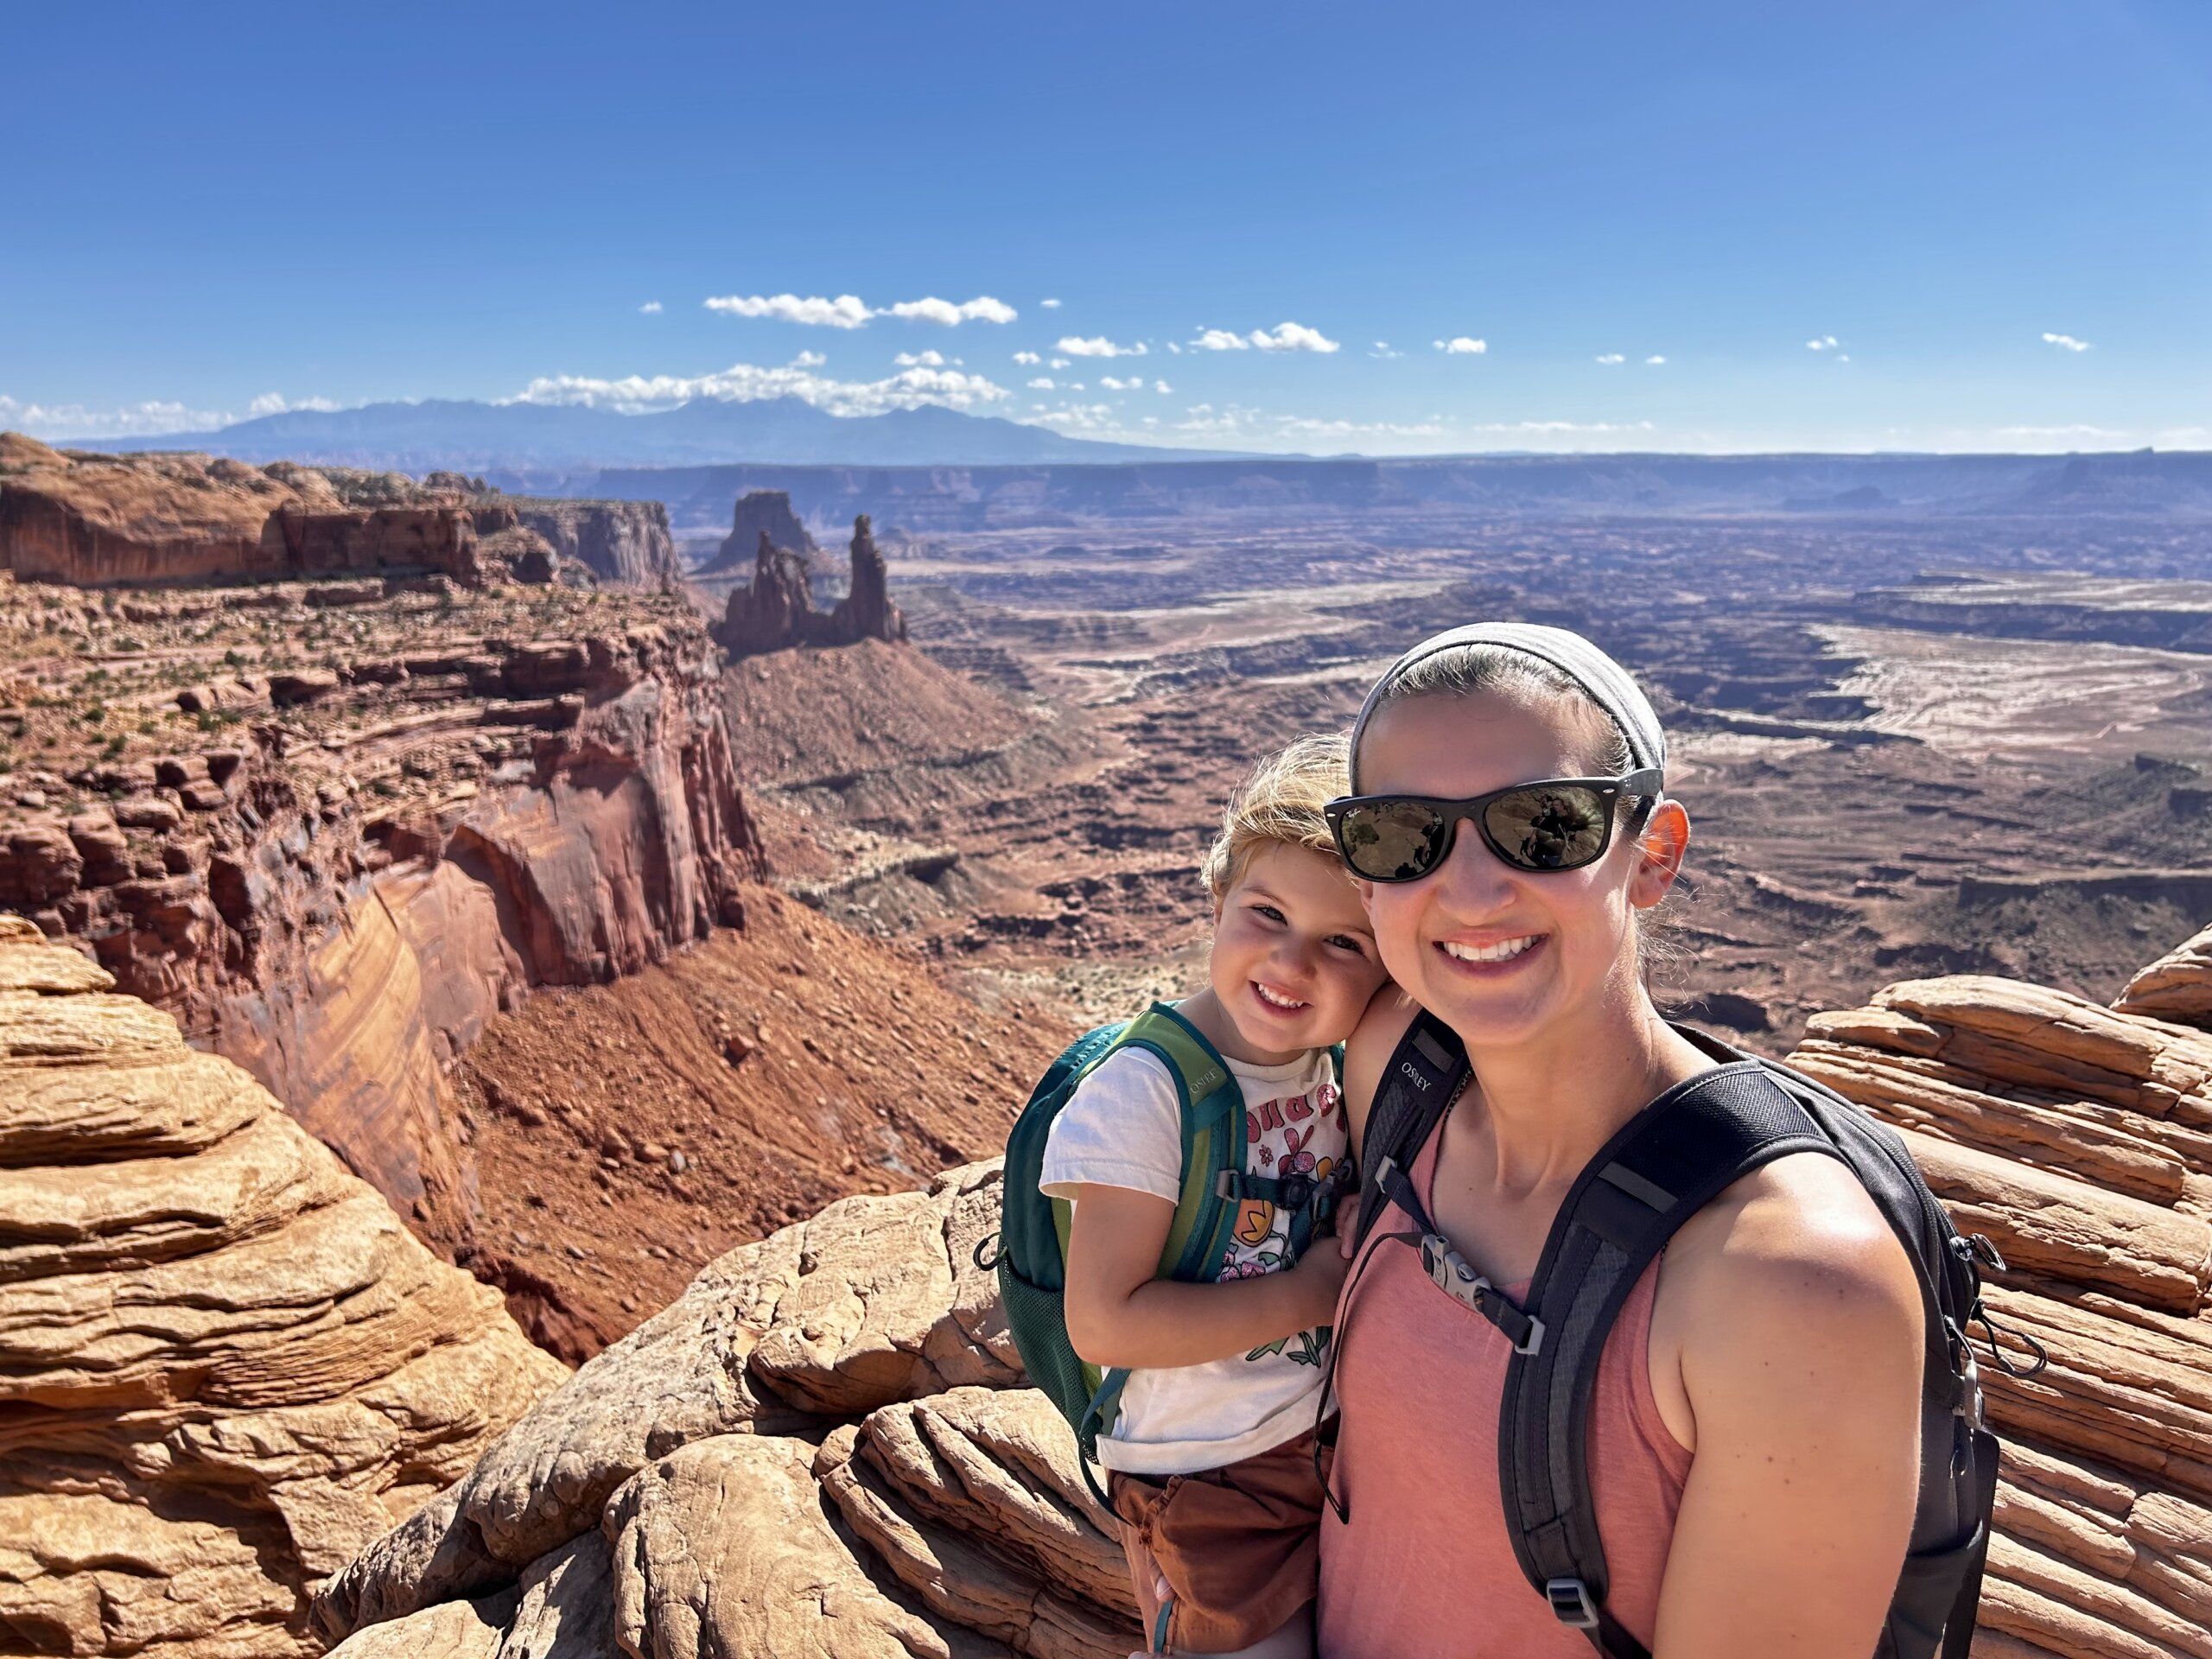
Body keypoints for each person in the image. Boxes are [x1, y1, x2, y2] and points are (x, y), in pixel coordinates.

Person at [1316, 625, 1927, 1658]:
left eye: (1542, 826)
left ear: (1652, 857)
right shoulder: (1393, 1077)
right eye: (1401, 834)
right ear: (1364, 880)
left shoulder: (1791, 1284)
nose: (1467, 891)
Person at [1041, 734, 1391, 1658]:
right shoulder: (1149, 1091)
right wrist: (1313, 1291)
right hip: (1207, 1474)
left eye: (1342, 942)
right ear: (1216, 896)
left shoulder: (1334, 1063)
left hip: (1309, 1439)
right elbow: (1105, 1325)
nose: (1290, 963)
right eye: (1266, 914)